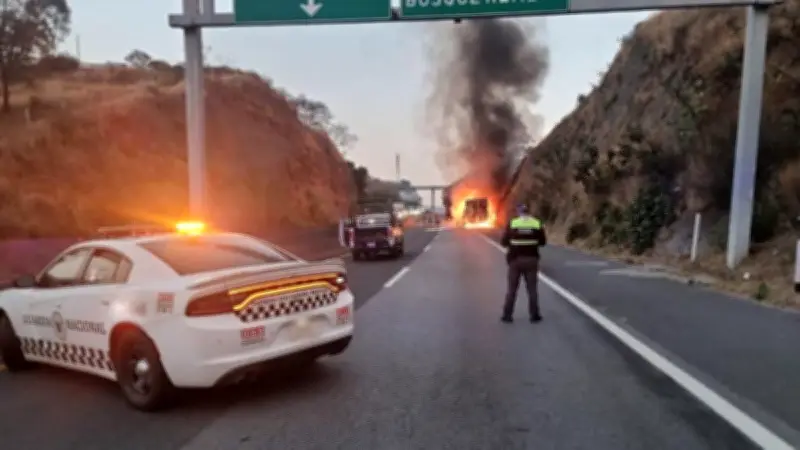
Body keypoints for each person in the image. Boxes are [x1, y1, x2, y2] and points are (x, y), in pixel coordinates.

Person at [500, 203, 547, 323]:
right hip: (531, 260)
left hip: (515, 260)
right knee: (532, 289)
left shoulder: (513, 223)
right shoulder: (536, 223)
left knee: (512, 289)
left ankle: (507, 315)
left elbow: (503, 242)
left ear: (519, 212)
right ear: (528, 212)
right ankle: (534, 315)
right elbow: (543, 242)